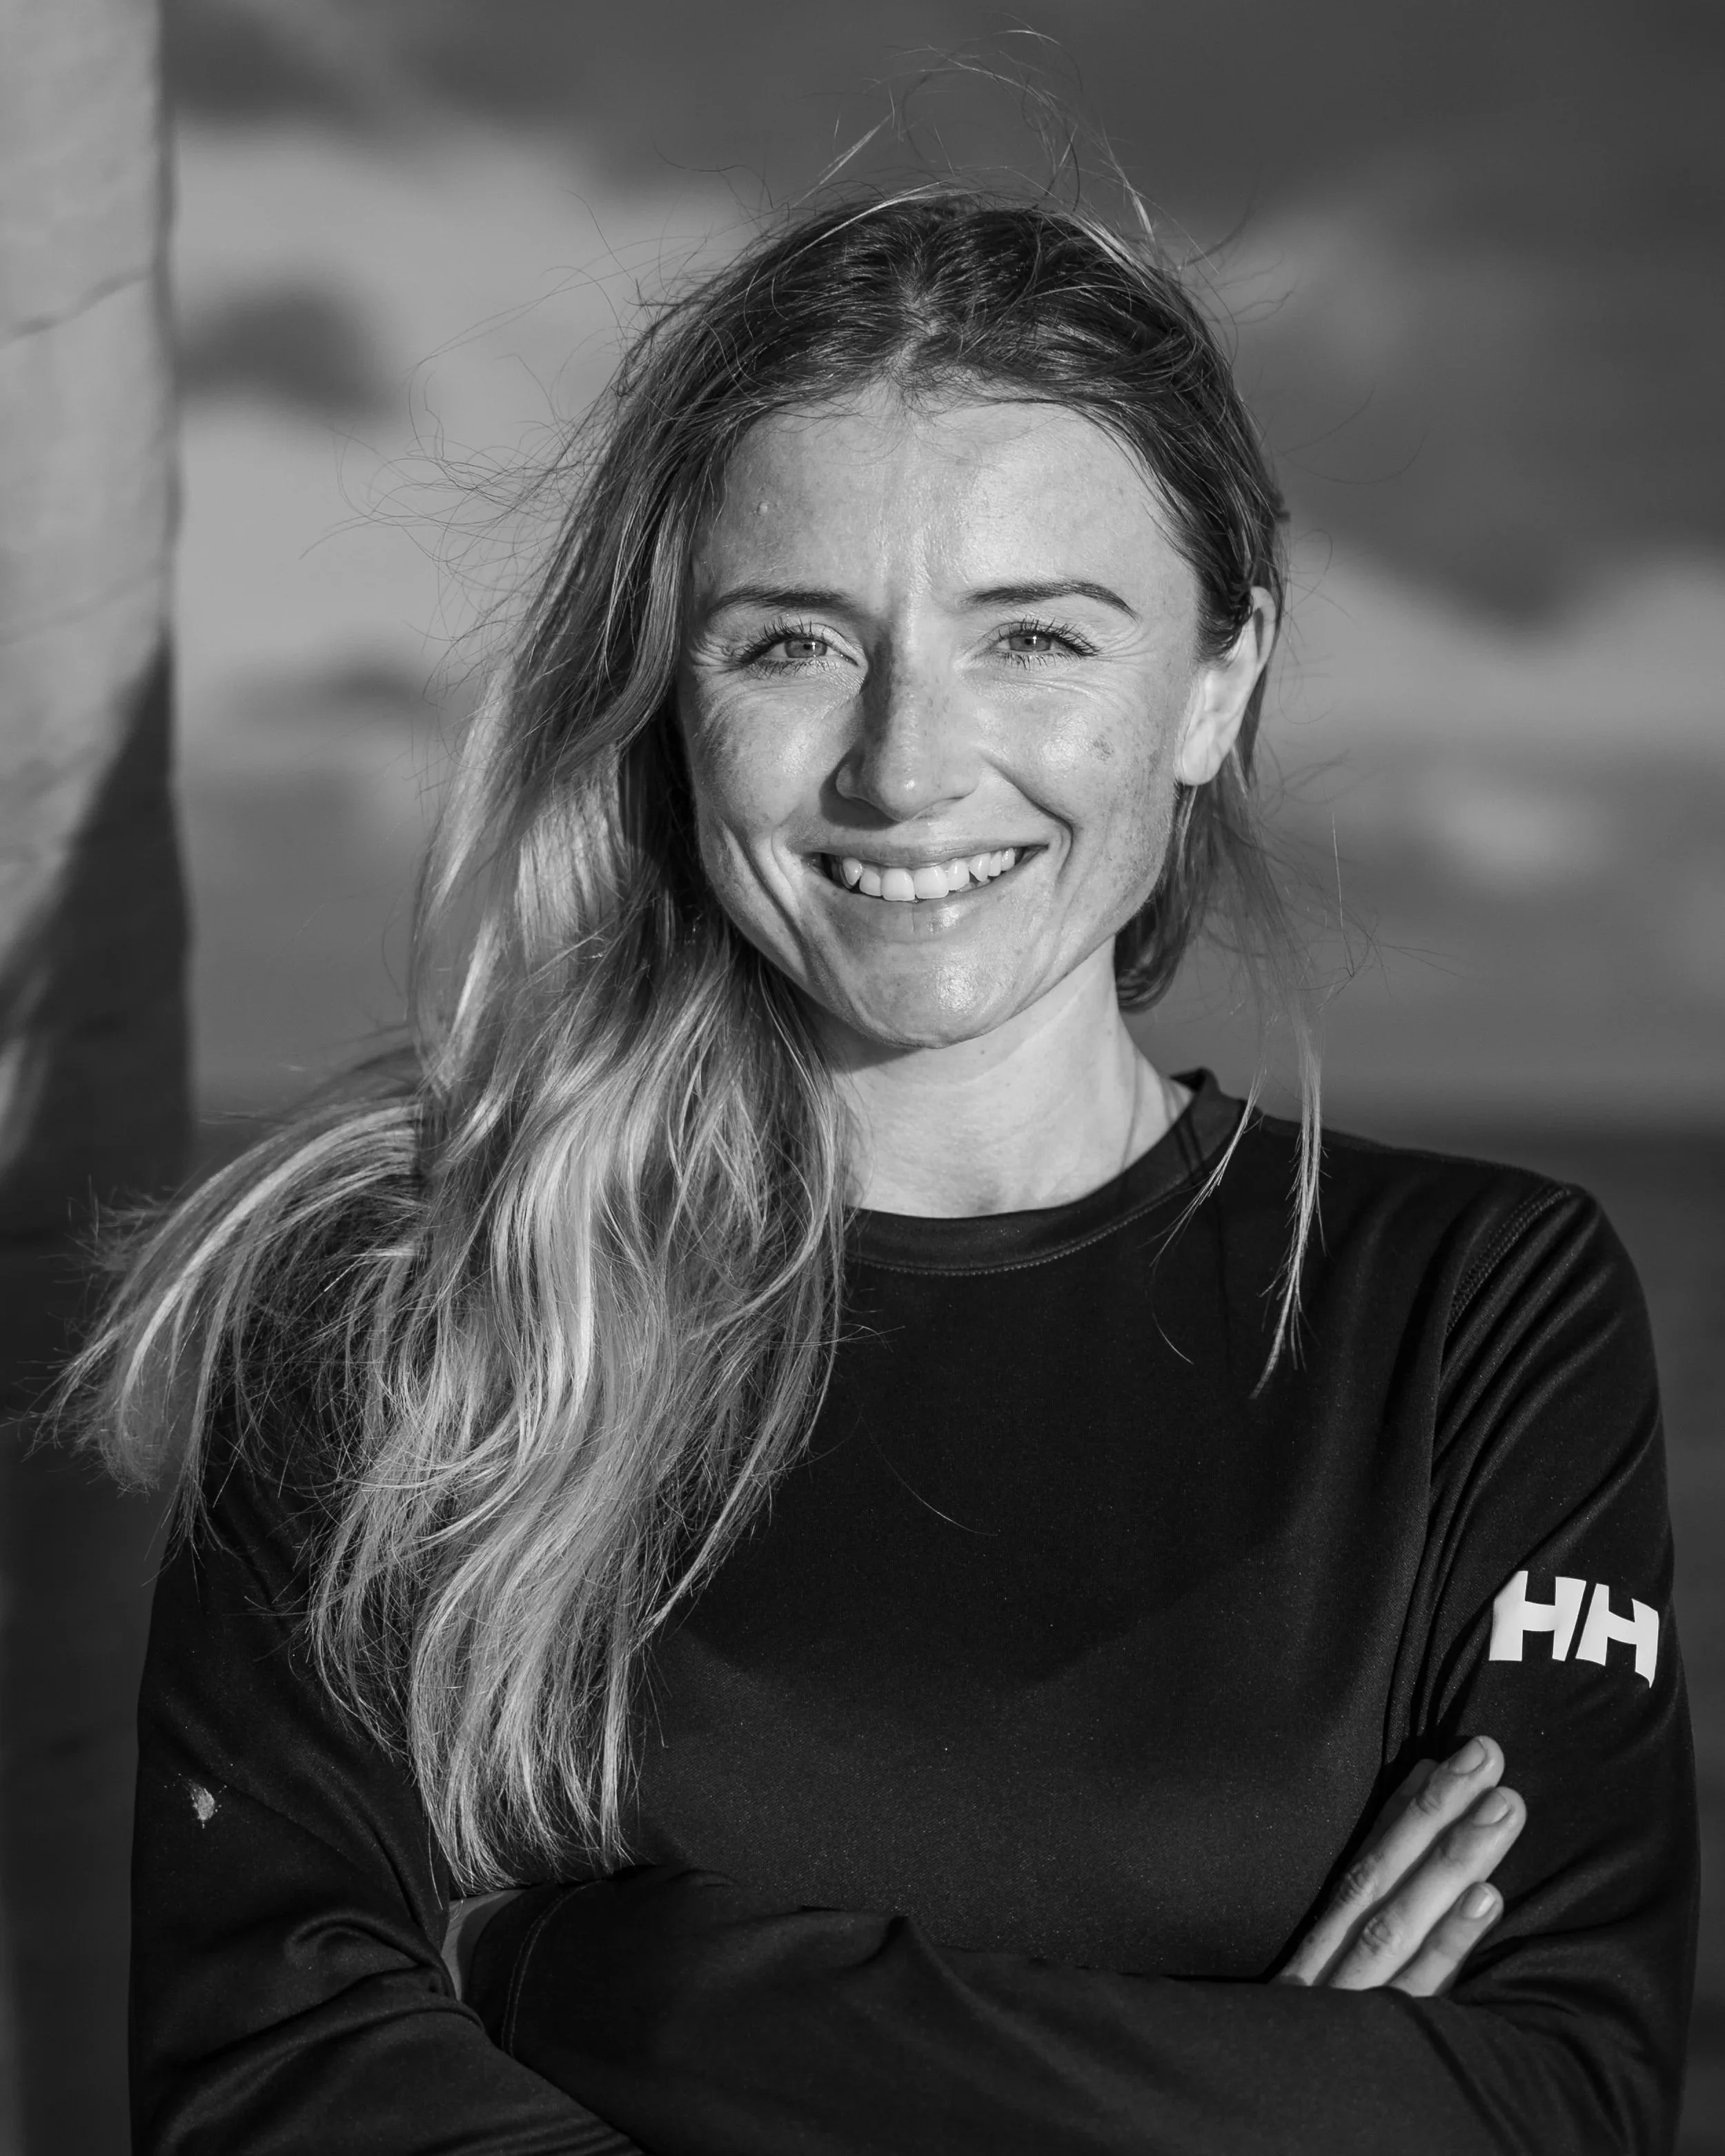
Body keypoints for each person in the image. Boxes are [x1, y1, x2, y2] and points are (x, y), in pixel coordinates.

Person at [69, 187, 1695, 2154]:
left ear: (1216, 680)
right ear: (670, 692)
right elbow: (273, 2086)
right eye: (792, 643)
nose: (907, 767)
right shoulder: (402, 1314)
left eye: (1036, 637)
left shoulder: (1469, 1310)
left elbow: (1547, 2099)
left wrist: (617, 1985)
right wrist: (1257, 2089)